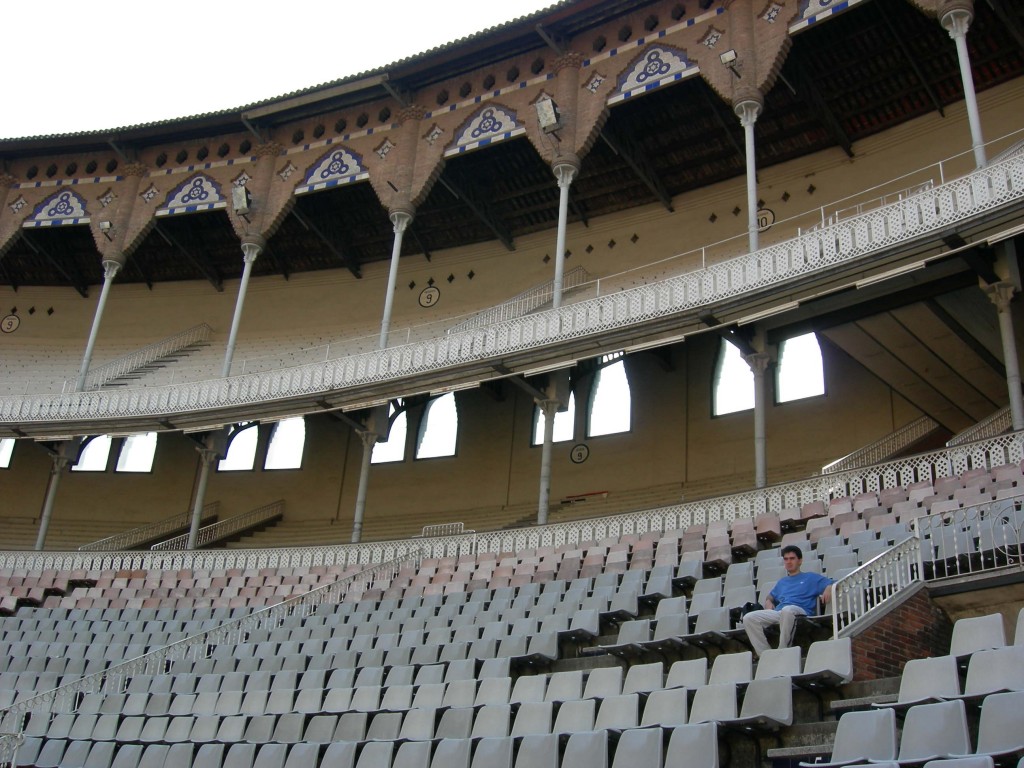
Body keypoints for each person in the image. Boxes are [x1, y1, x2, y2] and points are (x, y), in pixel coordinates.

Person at [742, 544, 832, 657]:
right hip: (781, 613)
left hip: (801, 611)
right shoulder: (782, 582)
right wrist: (768, 601)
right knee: (749, 618)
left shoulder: (810, 577)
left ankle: (783, 649)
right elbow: (771, 596)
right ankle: (765, 654)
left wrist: (828, 588)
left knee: (787, 610)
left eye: (792, 558)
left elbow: (833, 582)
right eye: (786, 559)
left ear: (800, 561)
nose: (788, 562)